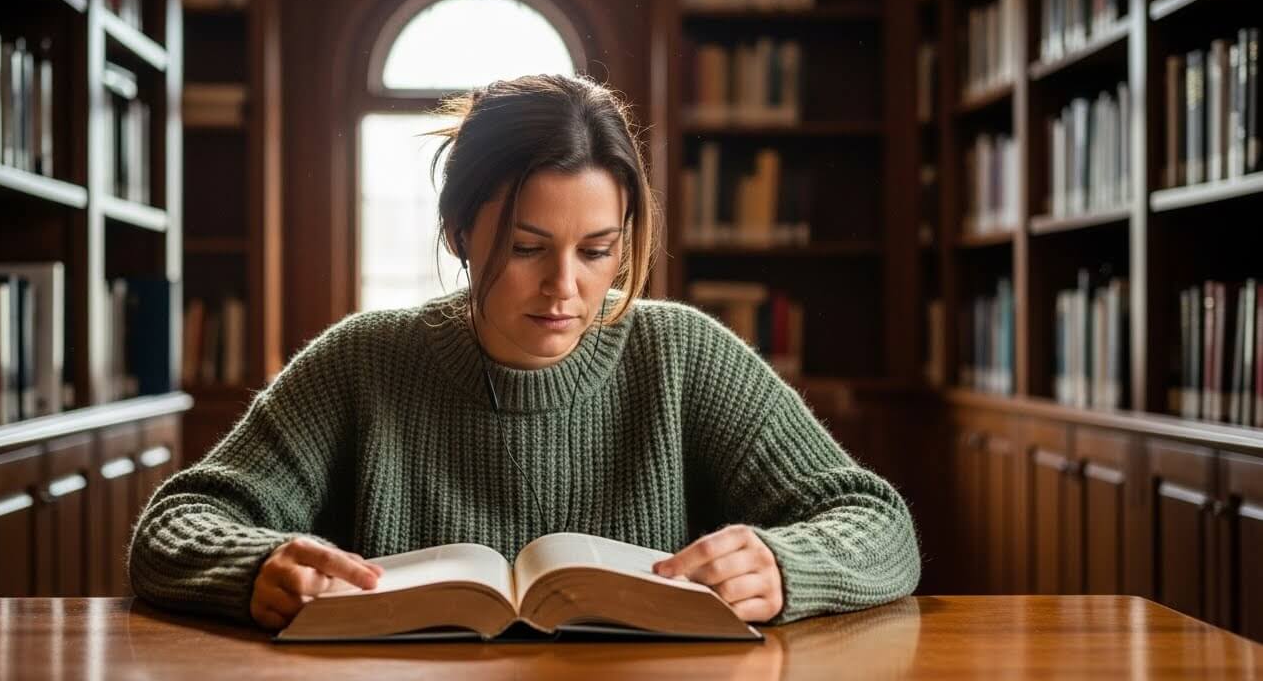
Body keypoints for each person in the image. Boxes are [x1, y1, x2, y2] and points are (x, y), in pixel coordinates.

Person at [128, 73, 921, 631]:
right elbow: (178, 522)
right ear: (459, 235)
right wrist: (256, 568)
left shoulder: (682, 356)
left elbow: (877, 523)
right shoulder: (362, 363)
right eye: (526, 246)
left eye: (597, 250)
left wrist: (782, 564)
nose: (564, 289)